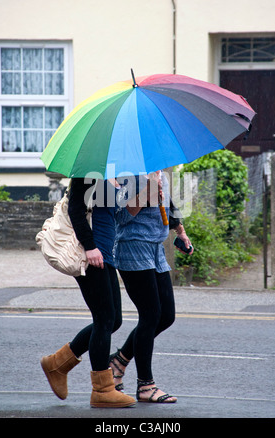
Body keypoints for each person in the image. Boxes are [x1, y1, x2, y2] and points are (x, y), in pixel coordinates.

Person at [40, 178, 135, 408]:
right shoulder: (89, 167)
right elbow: (75, 208)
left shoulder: (118, 172)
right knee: (104, 319)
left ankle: (57, 364)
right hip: (90, 253)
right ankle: (102, 390)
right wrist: (90, 246)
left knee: (114, 320)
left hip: (105, 254)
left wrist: (142, 190)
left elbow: (119, 216)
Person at [110, 171, 193, 403]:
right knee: (150, 315)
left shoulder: (158, 170)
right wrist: (145, 192)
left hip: (156, 249)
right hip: (133, 247)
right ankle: (145, 385)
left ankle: (118, 360)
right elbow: (120, 217)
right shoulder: (127, 174)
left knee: (166, 315)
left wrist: (181, 231)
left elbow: (166, 202)